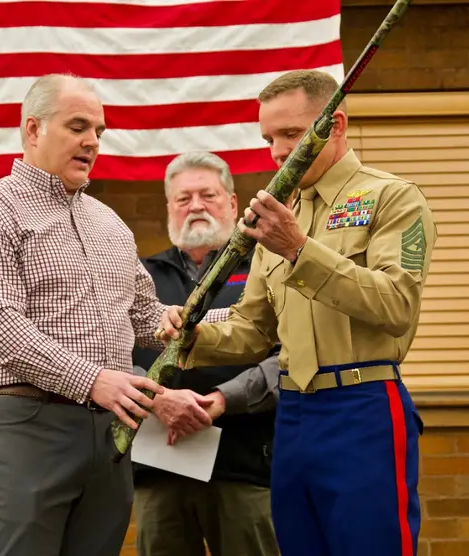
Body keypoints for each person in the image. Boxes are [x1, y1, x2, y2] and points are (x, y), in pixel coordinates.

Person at [158, 69, 438, 556]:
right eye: (269, 137)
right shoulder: (280, 213)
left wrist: (299, 248)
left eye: (292, 133)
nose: (278, 151)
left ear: (337, 124)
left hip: (363, 405)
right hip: (291, 417)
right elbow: (253, 330)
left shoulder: (392, 197)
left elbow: (397, 306)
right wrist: (191, 337)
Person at [0, 73, 168, 556]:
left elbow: (150, 321)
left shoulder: (110, 224)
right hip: (27, 428)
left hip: (109, 437)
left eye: (99, 132)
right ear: (32, 130)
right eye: (78, 126)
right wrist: (94, 381)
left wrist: (254, 310)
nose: (92, 141)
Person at [132, 151, 281, 556]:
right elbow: (110, 354)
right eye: (183, 198)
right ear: (169, 208)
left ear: (233, 203)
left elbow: (290, 358)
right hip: (159, 467)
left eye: (208, 195)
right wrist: (160, 401)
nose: (195, 206)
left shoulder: (266, 268)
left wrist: (220, 400)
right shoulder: (139, 277)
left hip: (245, 466)